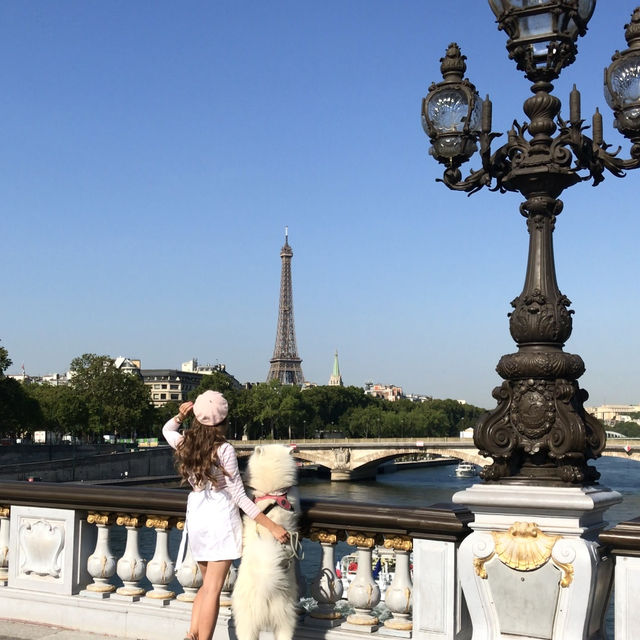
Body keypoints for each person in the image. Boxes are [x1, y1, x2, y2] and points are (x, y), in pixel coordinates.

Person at [162, 390, 289, 640]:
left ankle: (192, 635)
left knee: (205, 585)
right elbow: (241, 498)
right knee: (213, 590)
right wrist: (272, 526)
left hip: (197, 517)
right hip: (220, 519)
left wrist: (179, 416)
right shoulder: (225, 450)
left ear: (197, 418)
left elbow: (167, 430)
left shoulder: (186, 443)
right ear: (224, 420)